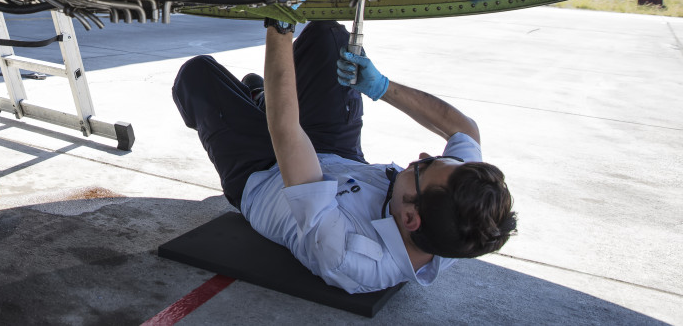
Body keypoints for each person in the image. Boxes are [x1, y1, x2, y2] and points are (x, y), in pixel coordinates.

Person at [172, 19, 516, 294]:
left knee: (197, 74)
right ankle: (259, 96)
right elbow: (465, 131)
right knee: (329, 35)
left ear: (410, 218)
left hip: (266, 175)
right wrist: (382, 87)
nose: (420, 158)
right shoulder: (461, 216)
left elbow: (287, 133)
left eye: (422, 168)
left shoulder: (347, 254)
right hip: (340, 154)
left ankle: (257, 99)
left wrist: (279, 24)